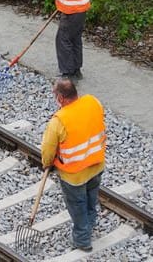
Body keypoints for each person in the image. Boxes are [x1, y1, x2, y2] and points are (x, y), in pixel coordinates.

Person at [41, 78, 106, 252]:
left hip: (74, 175)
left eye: (55, 95)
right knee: (91, 199)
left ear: (61, 98)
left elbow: (48, 150)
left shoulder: (59, 121)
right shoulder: (93, 102)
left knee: (77, 206)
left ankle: (83, 239)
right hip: (96, 165)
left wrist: (47, 164)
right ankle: (90, 224)